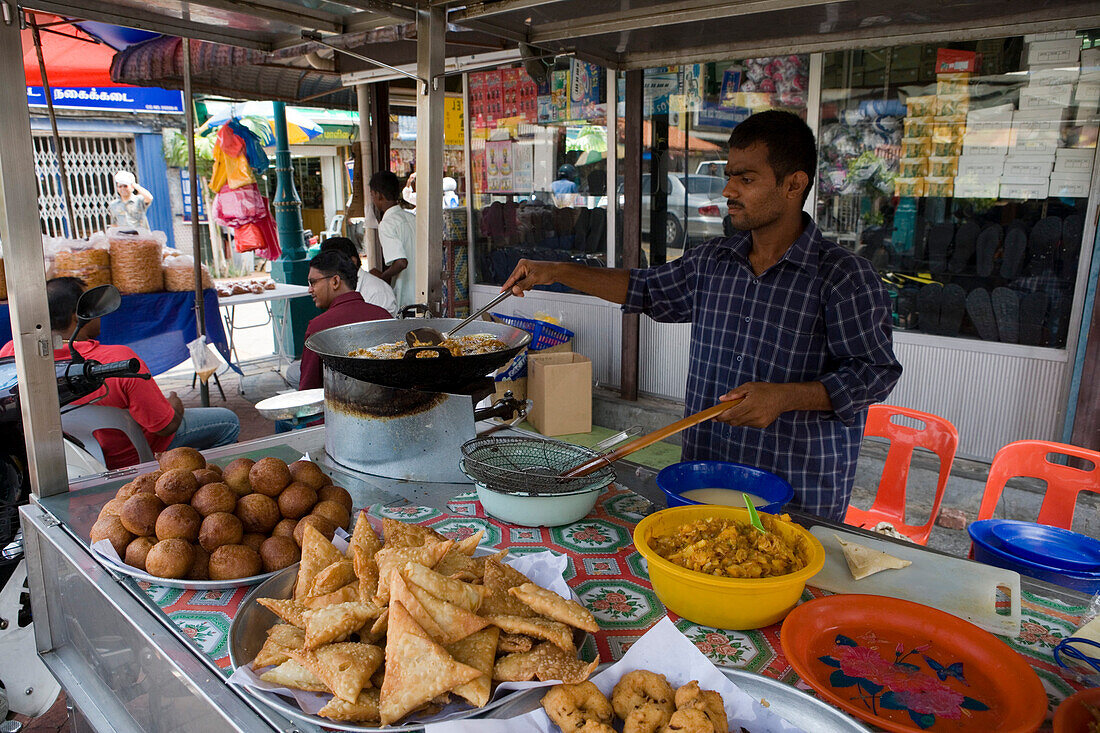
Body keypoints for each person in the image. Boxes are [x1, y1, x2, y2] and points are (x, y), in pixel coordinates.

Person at [501, 110, 902, 521]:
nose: (728, 190)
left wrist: (786, 396)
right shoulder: (714, 261)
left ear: (794, 184)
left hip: (796, 495)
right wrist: (557, 271)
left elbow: (875, 373)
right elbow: (645, 288)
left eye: (746, 179)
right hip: (708, 479)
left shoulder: (843, 275)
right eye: (730, 175)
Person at [0, 277, 239, 469]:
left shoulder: (12, 353)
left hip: (69, 461)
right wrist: (175, 404)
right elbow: (164, 426)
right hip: (132, 455)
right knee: (229, 421)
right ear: (78, 315)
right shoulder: (118, 360)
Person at [298, 250, 391, 391]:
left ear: (335, 281)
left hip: (339, 408)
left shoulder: (319, 327)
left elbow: (308, 389)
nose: (310, 290)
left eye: (313, 282)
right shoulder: (383, 315)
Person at [369, 171, 418, 311]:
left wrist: (382, 277)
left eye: (372, 195)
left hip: (406, 301)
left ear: (379, 195)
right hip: (423, 296)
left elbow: (401, 262)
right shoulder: (412, 218)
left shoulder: (387, 224)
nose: (373, 200)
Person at [319, 237, 397, 316]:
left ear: (353, 262)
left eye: (332, 265)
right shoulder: (337, 288)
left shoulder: (377, 292)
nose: (327, 271)